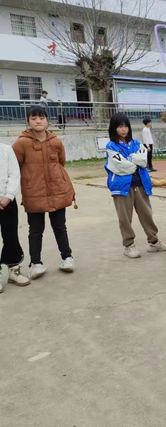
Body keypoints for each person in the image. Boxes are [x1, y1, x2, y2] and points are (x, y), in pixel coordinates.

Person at [12, 105, 76, 279]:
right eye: (33, 118)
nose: (38, 121)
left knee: (60, 227)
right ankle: (36, 263)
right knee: (35, 230)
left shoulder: (55, 141)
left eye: (41, 118)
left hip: (57, 191)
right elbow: (14, 166)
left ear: (47, 120)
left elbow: (61, 162)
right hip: (34, 193)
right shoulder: (22, 143)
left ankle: (67, 258)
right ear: (28, 122)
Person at [105, 113, 166, 259]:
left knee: (146, 214)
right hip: (122, 187)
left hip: (140, 184)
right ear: (114, 128)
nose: (123, 130)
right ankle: (129, 246)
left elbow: (143, 161)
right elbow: (119, 166)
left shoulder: (136, 143)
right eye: (120, 126)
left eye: (125, 126)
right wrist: (133, 160)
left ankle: (154, 242)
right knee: (125, 218)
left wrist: (130, 161)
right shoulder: (111, 146)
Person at [0, 143, 30, 293]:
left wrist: (9, 196)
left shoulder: (5, 149)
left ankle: (13, 270)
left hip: (7, 201)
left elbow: (14, 174)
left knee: (10, 236)